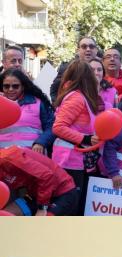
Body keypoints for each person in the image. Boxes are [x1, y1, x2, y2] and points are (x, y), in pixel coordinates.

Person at [51, 60, 102, 213]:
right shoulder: (76, 98)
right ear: (86, 78)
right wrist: (86, 139)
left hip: (74, 159)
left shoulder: (78, 96)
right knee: (70, 205)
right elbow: (58, 127)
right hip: (69, 160)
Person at [0, 146, 79, 216]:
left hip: (62, 192)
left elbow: (47, 176)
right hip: (36, 195)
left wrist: (42, 208)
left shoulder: (9, 158)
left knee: (41, 225)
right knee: (6, 215)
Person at [0, 69, 55, 152]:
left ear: (23, 86)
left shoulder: (38, 103)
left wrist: (40, 142)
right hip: (4, 159)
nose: (10, 89)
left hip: (31, 159)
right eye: (6, 86)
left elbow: (51, 127)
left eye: (15, 86)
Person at [50, 36, 99, 101]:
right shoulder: (67, 68)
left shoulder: (103, 67)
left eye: (91, 46)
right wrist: (61, 104)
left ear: (96, 50)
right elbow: (54, 90)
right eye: (84, 47)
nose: (88, 49)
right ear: (78, 50)